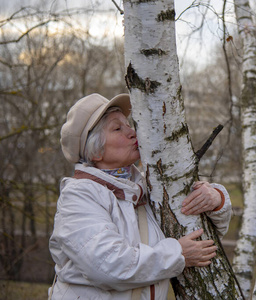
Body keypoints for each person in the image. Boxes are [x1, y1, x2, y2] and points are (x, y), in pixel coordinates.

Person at [49, 93, 232, 299]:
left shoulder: (144, 187)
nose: (133, 132)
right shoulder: (78, 196)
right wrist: (177, 254)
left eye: (128, 125)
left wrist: (216, 199)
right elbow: (107, 265)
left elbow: (205, 236)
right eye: (118, 128)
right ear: (95, 152)